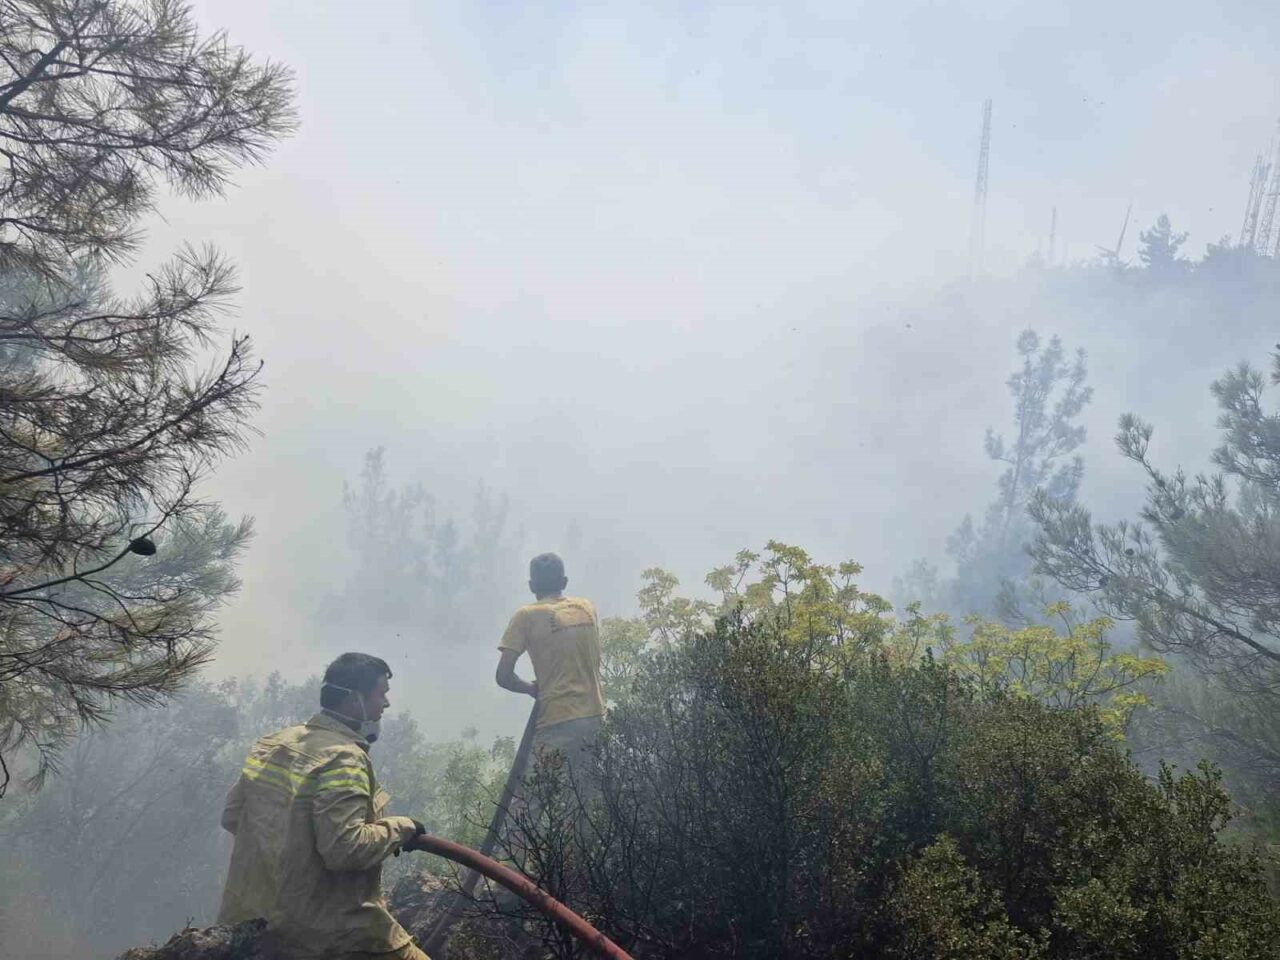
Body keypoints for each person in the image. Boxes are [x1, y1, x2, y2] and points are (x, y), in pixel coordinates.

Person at [218, 653, 432, 960]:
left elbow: (232, 816)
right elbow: (346, 849)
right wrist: (402, 828)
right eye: (381, 693)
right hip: (325, 936)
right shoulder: (344, 758)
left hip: (251, 923)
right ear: (354, 699)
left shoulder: (274, 743)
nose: (386, 704)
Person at [495, 553, 606, 792]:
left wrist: (531, 688)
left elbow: (503, 676)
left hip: (557, 720)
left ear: (531, 586)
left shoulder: (526, 615)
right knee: (583, 799)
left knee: (529, 803)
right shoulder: (587, 608)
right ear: (564, 582)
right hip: (595, 717)